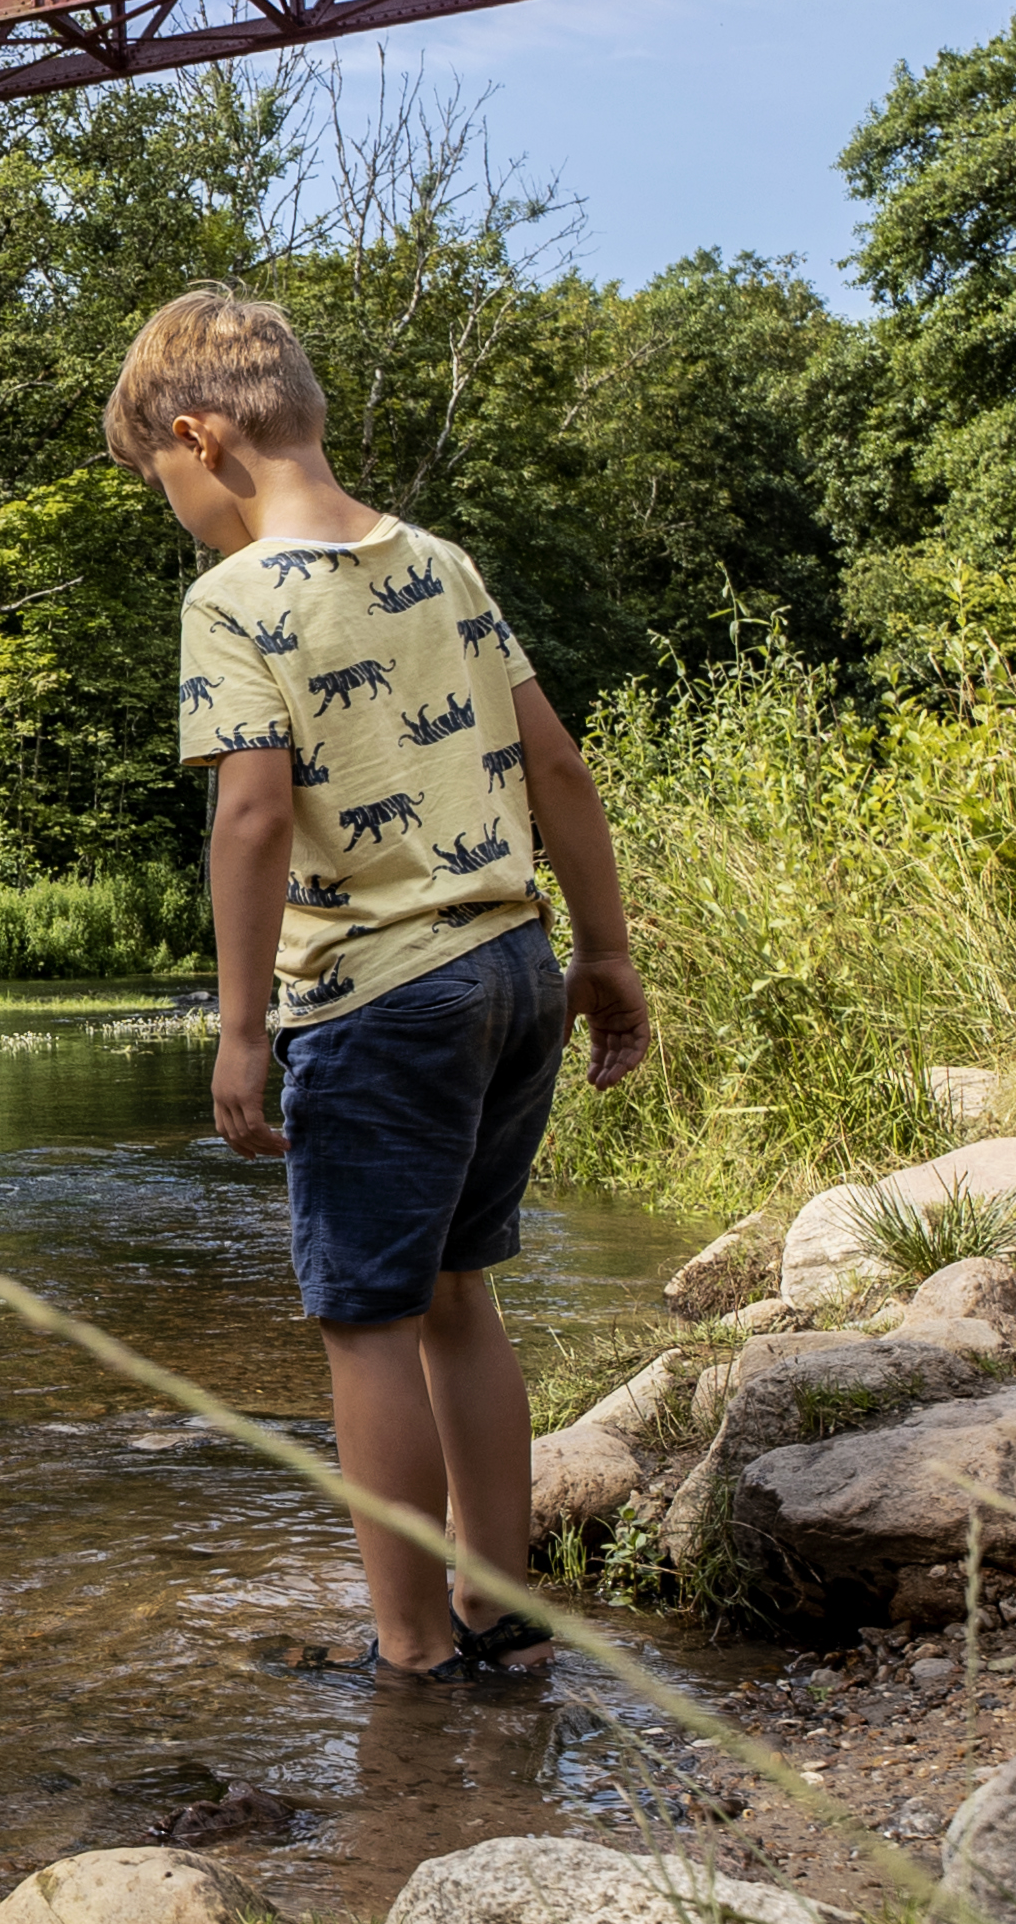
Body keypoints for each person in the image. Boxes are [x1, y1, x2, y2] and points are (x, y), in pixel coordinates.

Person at [111, 288, 650, 1675]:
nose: (173, 508)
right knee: (464, 1293)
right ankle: (500, 1606)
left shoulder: (231, 598)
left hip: (372, 996)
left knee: (366, 1322)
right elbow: (561, 766)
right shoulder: (444, 562)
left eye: (161, 481)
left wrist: (240, 1031)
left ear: (201, 436)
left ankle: (411, 1645)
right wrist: (605, 950)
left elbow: (247, 814)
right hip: (513, 967)